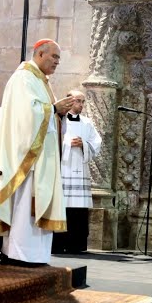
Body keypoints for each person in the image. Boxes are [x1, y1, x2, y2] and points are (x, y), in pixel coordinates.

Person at [0, 39, 74, 266]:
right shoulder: (23, 78)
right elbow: (26, 116)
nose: (57, 62)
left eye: (59, 58)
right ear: (40, 54)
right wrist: (54, 109)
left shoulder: (40, 81)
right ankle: (20, 254)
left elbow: (45, 116)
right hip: (27, 159)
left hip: (42, 158)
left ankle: (37, 255)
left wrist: (59, 114)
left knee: (34, 204)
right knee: (24, 206)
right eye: (54, 57)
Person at [55, 89, 102, 254]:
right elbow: (51, 140)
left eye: (83, 102)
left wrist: (84, 145)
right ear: (69, 101)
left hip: (80, 169)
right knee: (62, 206)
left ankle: (77, 244)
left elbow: (96, 142)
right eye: (78, 101)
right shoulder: (59, 120)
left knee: (79, 209)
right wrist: (68, 144)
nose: (81, 105)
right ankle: (58, 243)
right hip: (63, 168)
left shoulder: (87, 123)